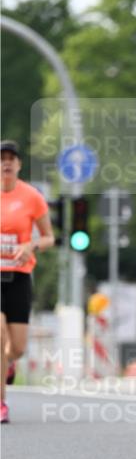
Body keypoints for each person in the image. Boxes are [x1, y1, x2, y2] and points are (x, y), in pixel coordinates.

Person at [1, 140, 55, 423]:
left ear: (19, 164)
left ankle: (8, 363)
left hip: (19, 277)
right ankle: (1, 404)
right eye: (2, 158)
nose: (6, 163)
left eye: (12, 158)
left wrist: (31, 245)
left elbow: (49, 237)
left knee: (18, 347)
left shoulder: (32, 196)